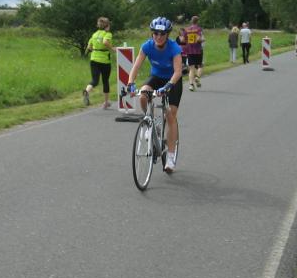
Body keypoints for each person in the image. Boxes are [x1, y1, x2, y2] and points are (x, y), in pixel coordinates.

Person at [126, 16, 183, 173]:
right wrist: (130, 83)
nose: (158, 36)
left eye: (162, 34)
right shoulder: (147, 46)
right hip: (156, 77)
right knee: (143, 95)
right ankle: (149, 121)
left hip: (173, 80)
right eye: (156, 33)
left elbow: (178, 71)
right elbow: (136, 66)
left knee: (170, 115)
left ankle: (170, 156)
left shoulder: (174, 48)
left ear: (167, 35)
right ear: (152, 33)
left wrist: (168, 86)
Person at [83, 17, 114, 109]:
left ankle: (87, 91)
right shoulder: (107, 34)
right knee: (105, 81)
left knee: (95, 80)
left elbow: (89, 47)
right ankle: (106, 102)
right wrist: (112, 48)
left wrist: (95, 50)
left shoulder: (94, 35)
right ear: (107, 26)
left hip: (93, 59)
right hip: (104, 61)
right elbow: (105, 42)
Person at [182, 15, 205, 90]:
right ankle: (197, 77)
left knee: (191, 69)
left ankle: (191, 85)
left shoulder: (186, 30)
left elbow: (182, 40)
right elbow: (198, 39)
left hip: (189, 51)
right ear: (197, 21)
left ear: (191, 21)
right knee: (200, 66)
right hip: (198, 50)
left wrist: (188, 41)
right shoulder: (199, 29)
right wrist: (203, 40)